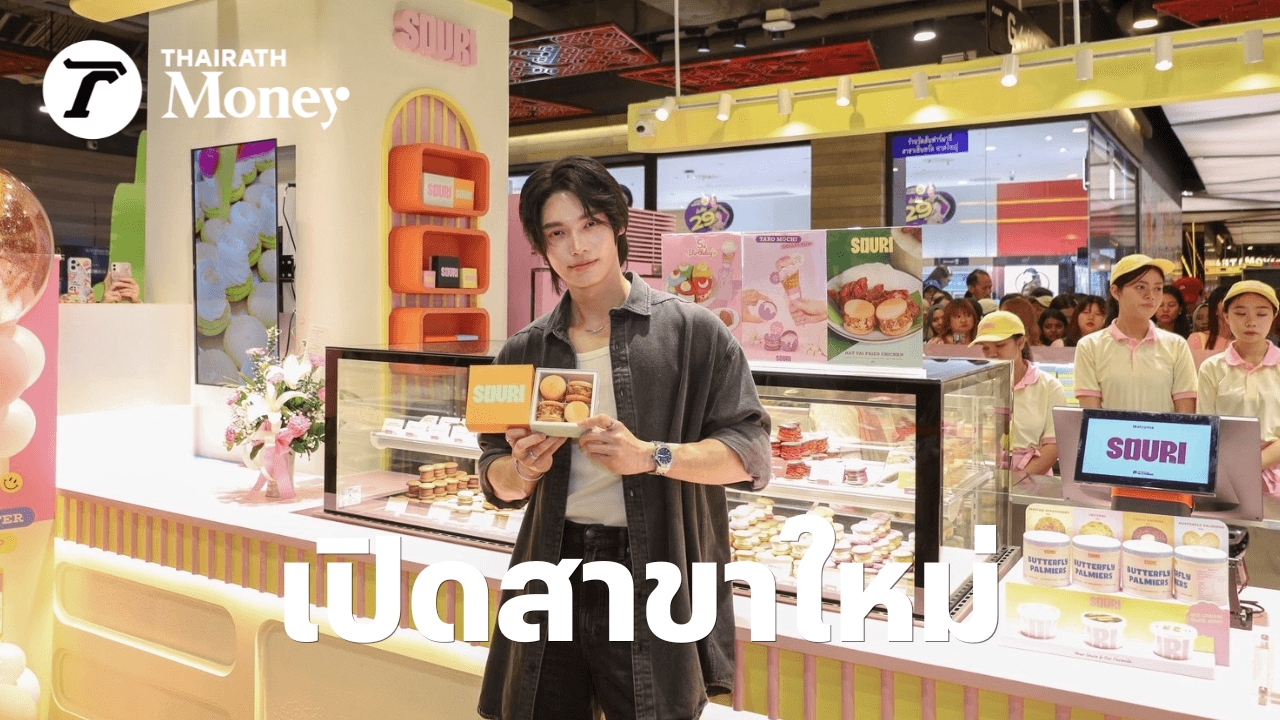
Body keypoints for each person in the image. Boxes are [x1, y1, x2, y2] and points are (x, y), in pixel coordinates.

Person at [477, 156, 772, 720]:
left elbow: (750, 453)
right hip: (552, 562)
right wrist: (522, 470)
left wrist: (650, 456)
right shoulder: (524, 349)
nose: (576, 246)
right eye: (556, 233)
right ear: (541, 247)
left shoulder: (692, 332)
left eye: (589, 224)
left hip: (653, 565)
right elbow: (495, 475)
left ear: (616, 224)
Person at [1075, 254, 1197, 414]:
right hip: (1111, 432)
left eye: (1157, 288)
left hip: (1163, 432)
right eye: (1140, 287)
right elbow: (1091, 417)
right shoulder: (1090, 346)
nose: (1150, 295)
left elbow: (1186, 417)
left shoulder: (1177, 346)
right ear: (1116, 291)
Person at [1198, 280, 1280, 495]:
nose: (1251, 322)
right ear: (1225, 316)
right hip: (1225, 472)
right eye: (1240, 313)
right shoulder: (1212, 368)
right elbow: (1206, 428)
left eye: (1261, 314)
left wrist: (1253, 464)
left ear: (1274, 316)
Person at [971, 311, 1066, 476]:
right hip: (985, 477)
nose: (992, 354)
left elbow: (1053, 446)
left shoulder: (1049, 387)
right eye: (986, 347)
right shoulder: (977, 385)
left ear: (1021, 343)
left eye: (1000, 345)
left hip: (1034, 479)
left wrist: (1019, 480)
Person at [1189, 284, 1233, 352]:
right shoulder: (1197, 339)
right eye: (1226, 301)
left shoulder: (1246, 340)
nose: (1232, 305)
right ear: (1215, 309)